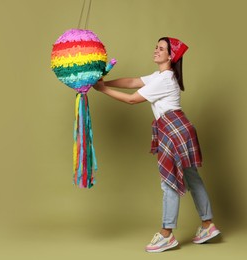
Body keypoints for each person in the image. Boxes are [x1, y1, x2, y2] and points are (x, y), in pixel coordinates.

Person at [93, 37, 221, 253]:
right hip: (181, 127)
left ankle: (166, 234)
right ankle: (208, 225)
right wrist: (105, 82)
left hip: (173, 129)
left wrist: (102, 90)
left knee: (170, 181)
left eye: (161, 49)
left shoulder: (164, 79)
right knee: (191, 177)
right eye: (156, 47)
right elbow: (133, 82)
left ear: (171, 56)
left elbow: (132, 99)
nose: (156, 51)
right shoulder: (159, 76)